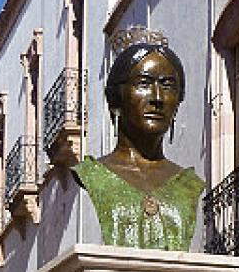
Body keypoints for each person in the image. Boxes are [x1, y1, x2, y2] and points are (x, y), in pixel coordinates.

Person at [72, 36, 205, 251]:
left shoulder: (189, 184)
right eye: (143, 83)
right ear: (115, 98)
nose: (157, 97)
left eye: (168, 85)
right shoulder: (92, 173)